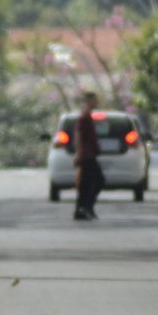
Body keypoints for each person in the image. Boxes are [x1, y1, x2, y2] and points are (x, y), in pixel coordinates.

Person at [72, 91, 104, 221]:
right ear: (89, 101)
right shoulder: (84, 117)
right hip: (86, 156)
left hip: (89, 154)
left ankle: (84, 208)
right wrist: (79, 153)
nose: (96, 103)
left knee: (88, 183)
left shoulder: (89, 116)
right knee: (97, 181)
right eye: (94, 100)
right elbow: (79, 136)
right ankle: (84, 207)